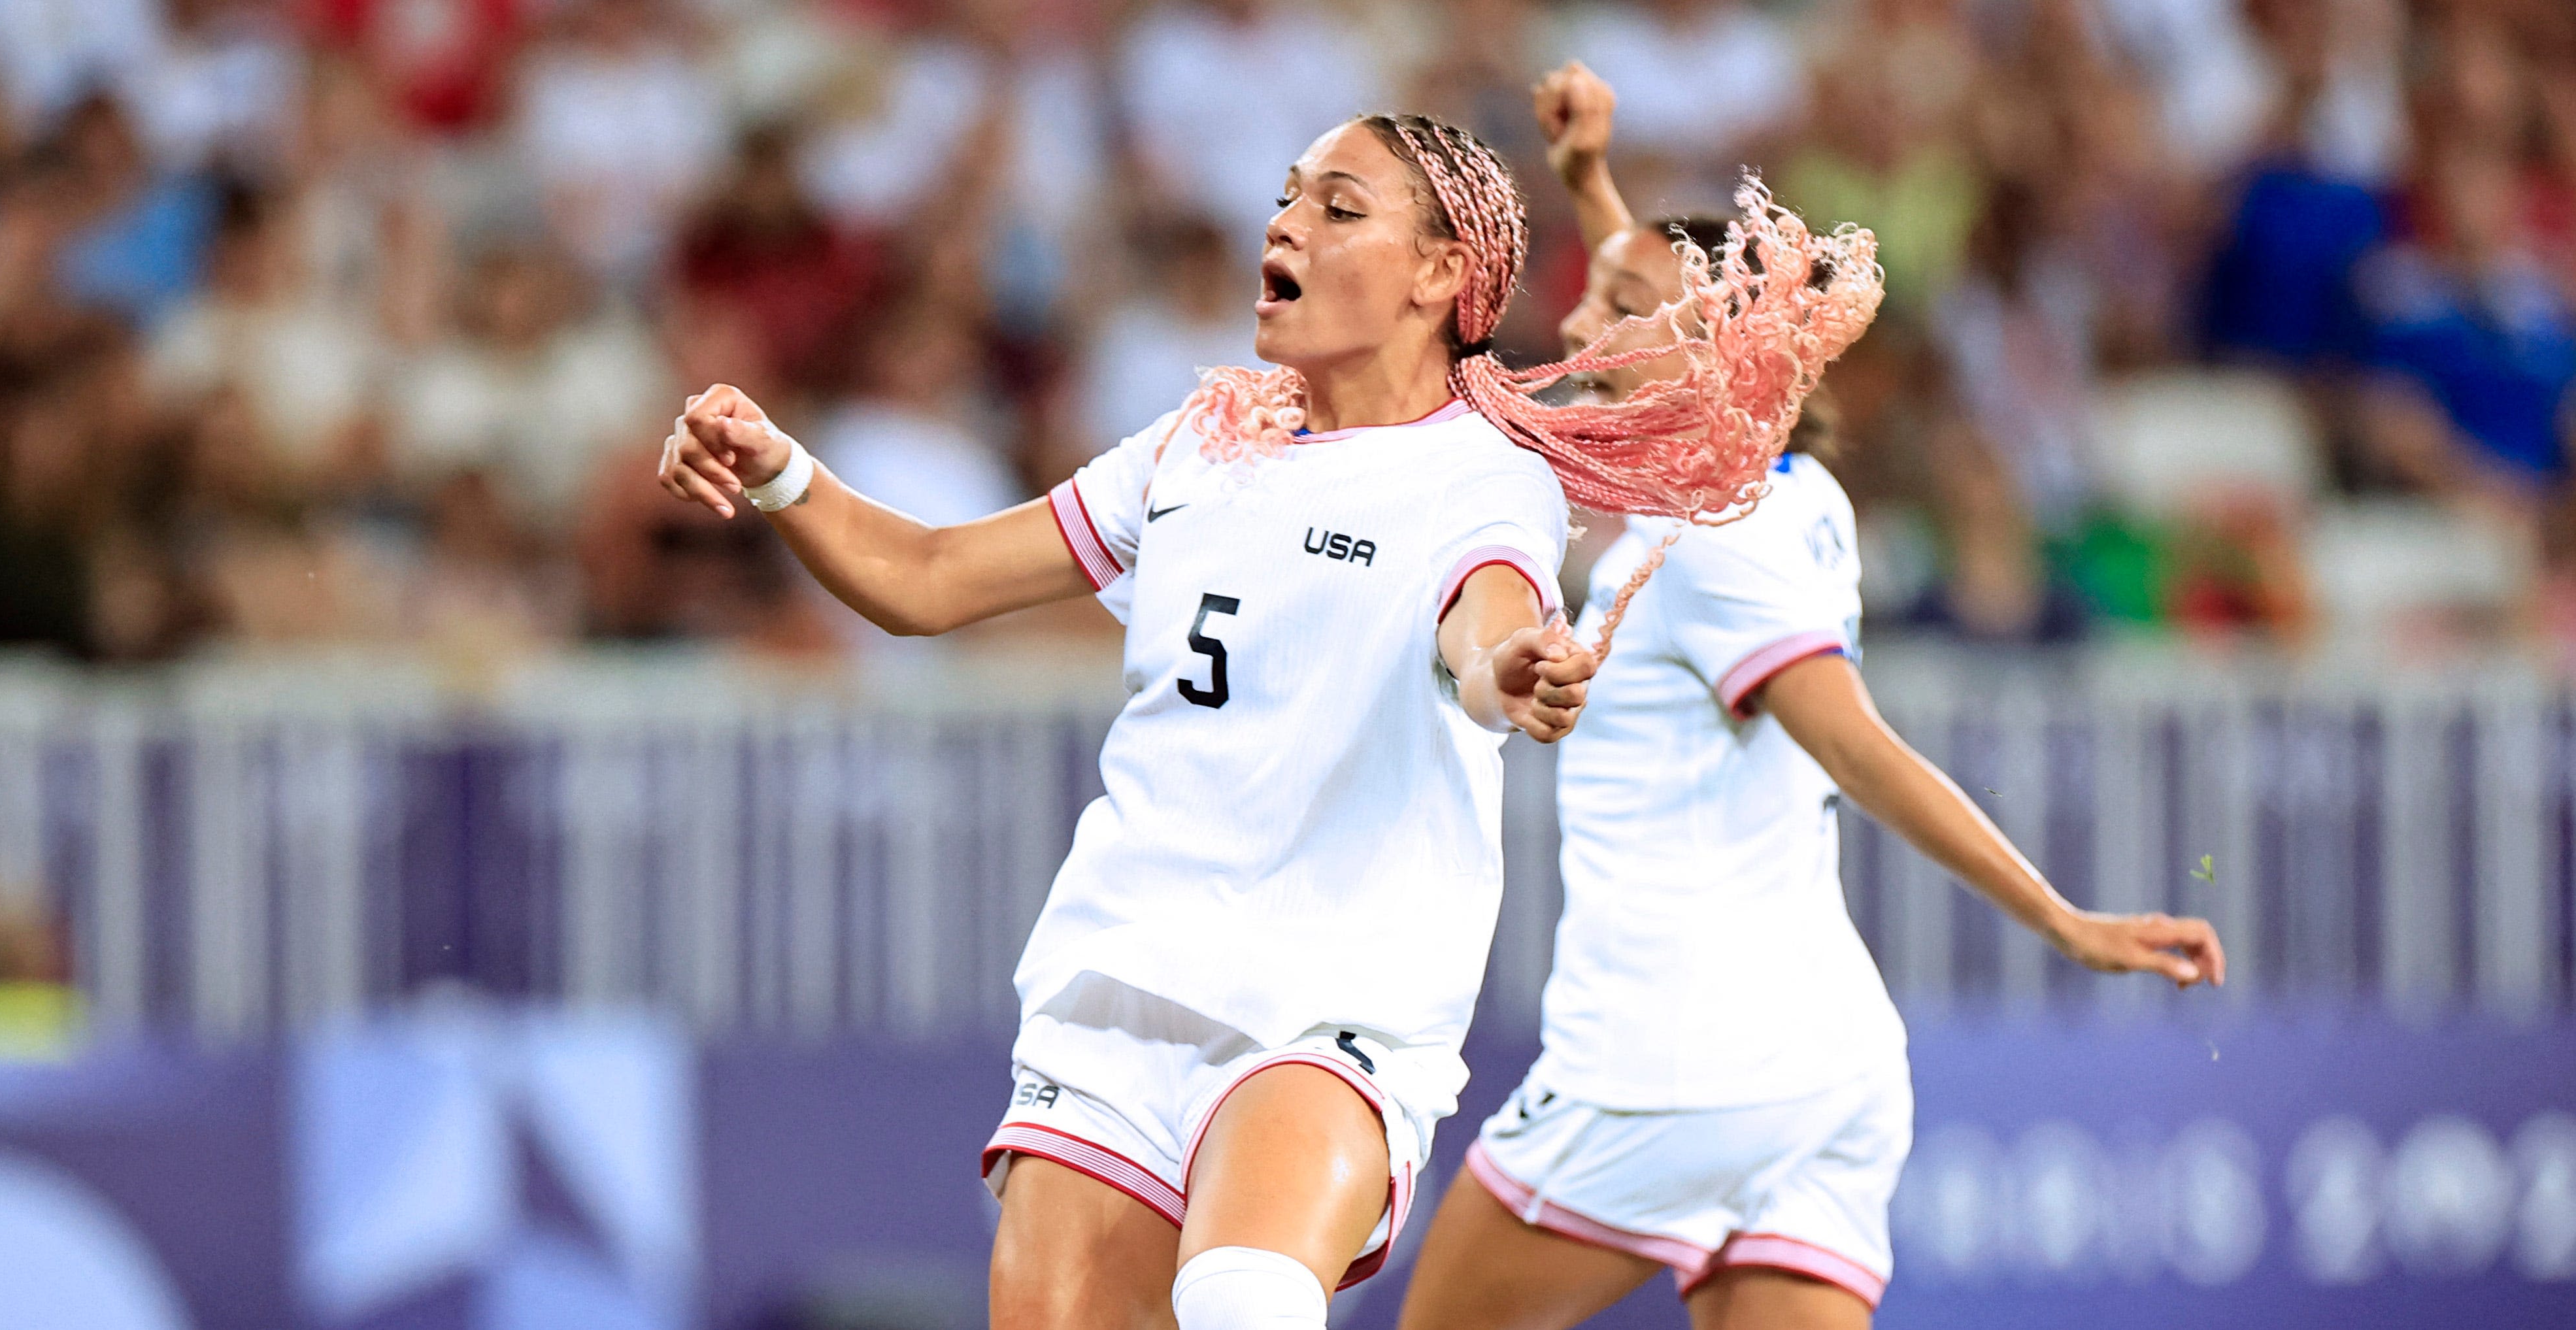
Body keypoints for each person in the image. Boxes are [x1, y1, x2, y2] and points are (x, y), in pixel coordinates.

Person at [659, 97, 1880, 1326]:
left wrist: (1507, 672)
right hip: (1116, 995)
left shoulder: (1484, 472)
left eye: (1338, 208)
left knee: (1243, 1298)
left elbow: (1488, 617)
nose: (1286, 222)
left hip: (1327, 1017)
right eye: (1288, 195)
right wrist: (780, 470)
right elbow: (923, 580)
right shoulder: (1202, 438)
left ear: (1438, 274)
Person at [1393, 64, 2230, 1330]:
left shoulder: (1705, 543)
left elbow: (1852, 745)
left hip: (1665, 1064)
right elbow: (1674, 298)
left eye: (1610, 307)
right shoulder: (1789, 488)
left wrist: (2063, 921)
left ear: (1712, 361)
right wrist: (1585, 179)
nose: (1571, 329)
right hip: (1822, 1072)